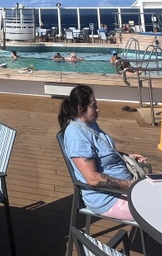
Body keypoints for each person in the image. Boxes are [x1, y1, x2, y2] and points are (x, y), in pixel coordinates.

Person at [58, 85, 148, 222]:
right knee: (159, 208)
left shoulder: (89, 123)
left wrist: (125, 156)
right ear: (80, 109)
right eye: (94, 106)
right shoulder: (76, 136)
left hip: (123, 187)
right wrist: (130, 185)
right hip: (108, 198)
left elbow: (101, 150)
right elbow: (93, 178)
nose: (98, 109)